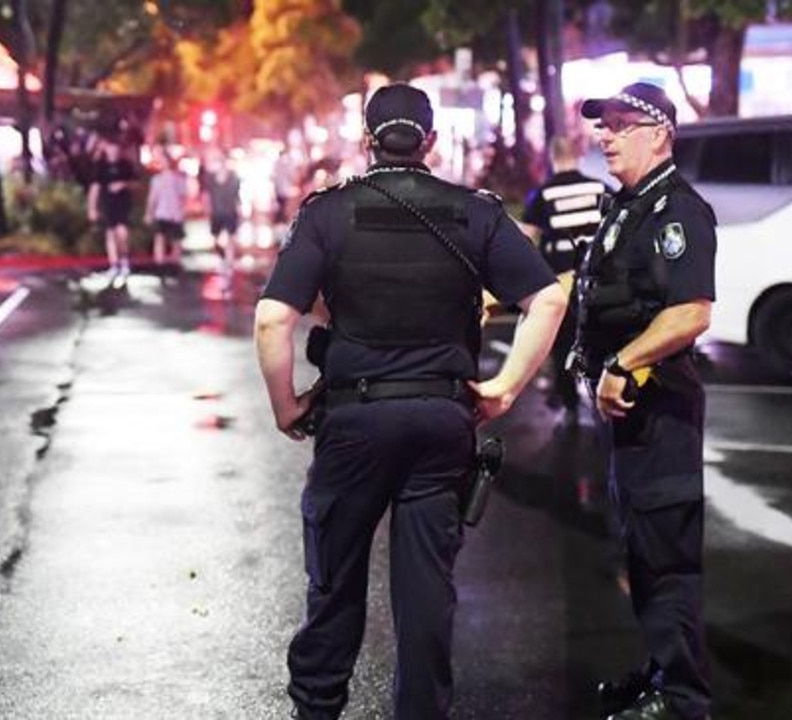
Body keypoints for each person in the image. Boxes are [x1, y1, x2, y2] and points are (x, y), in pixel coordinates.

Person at [254, 84, 567, 720]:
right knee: (427, 589)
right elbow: (549, 299)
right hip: (441, 423)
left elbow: (271, 319)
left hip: (353, 423)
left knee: (335, 583)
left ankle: (317, 708)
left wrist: (287, 404)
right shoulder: (475, 213)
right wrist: (504, 388)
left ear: (366, 142)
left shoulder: (327, 213)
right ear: (430, 141)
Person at [573, 82, 716, 720]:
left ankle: (683, 698)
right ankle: (661, 671)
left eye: (621, 124)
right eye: (602, 125)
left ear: (659, 133)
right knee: (641, 550)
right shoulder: (628, 207)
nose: (605, 135)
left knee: (669, 558)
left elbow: (690, 313)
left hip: (662, 411)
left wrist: (622, 364)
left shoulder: (678, 212)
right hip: (632, 416)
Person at [522, 135, 609, 424]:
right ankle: (601, 393)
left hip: (560, 280)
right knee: (598, 338)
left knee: (562, 342)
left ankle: (568, 400)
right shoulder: (599, 188)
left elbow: (529, 238)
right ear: (579, 155)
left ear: (552, 156)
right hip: (598, 280)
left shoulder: (543, 194)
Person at [87, 134, 137, 282]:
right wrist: (92, 208)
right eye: (110, 149)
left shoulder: (125, 165)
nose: (113, 152)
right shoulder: (100, 167)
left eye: (116, 149)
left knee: (122, 233)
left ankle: (125, 261)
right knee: (110, 235)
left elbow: (136, 184)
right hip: (107, 204)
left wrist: (123, 184)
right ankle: (114, 265)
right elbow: (94, 188)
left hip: (122, 204)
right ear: (106, 150)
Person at [201, 153, 243, 290]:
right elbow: (207, 196)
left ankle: (228, 266)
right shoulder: (210, 179)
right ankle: (223, 259)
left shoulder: (234, 178)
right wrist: (207, 210)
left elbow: (237, 197)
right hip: (216, 213)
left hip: (230, 213)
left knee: (230, 240)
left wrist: (240, 211)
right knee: (216, 240)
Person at [144, 154, 189, 273]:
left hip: (175, 213)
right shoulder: (157, 180)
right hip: (162, 213)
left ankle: (175, 264)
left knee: (176, 240)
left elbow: (183, 197)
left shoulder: (179, 178)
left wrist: (181, 211)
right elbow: (152, 198)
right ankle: (160, 264)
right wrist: (149, 213)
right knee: (160, 238)